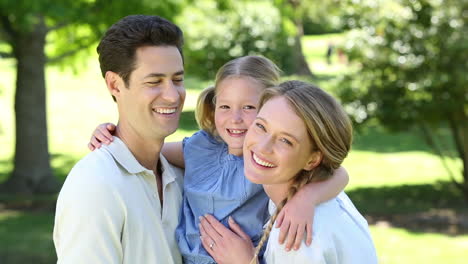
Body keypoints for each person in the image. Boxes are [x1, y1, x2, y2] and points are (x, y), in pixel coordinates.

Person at [88, 56, 350, 263]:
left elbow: (338, 173)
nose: (235, 119)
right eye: (225, 107)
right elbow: (144, 149)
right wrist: (111, 133)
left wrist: (306, 198)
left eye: (249, 108)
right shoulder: (200, 148)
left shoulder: (265, 162)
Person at [53, 15, 186, 263]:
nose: (172, 95)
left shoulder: (178, 175)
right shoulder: (95, 184)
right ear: (114, 84)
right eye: (154, 81)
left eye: (177, 80)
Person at [199, 80, 378, 264]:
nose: (263, 147)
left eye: (285, 140)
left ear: (313, 160)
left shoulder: (295, 234)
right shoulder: (320, 196)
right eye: (261, 126)